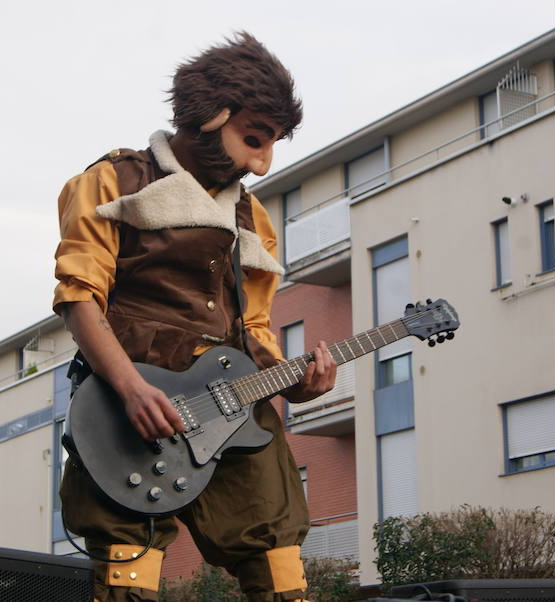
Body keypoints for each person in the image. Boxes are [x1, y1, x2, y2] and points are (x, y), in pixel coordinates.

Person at [52, 32, 337, 602]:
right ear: (210, 115)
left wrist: (293, 381)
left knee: (281, 565)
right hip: (131, 401)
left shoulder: (253, 218)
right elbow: (80, 298)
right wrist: (131, 389)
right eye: (254, 139)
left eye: (272, 145)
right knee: (128, 573)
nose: (261, 163)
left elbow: (253, 330)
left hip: (235, 406)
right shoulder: (111, 182)